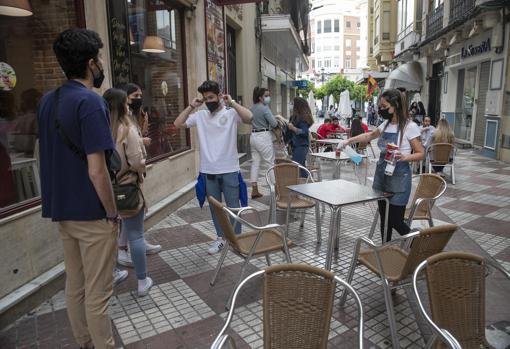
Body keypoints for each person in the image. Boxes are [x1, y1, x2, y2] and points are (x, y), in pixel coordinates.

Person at [37, 28, 118, 349]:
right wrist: (112, 213)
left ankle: (84, 342)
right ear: (90, 63)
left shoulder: (47, 101)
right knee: (99, 292)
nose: (101, 64)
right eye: (98, 58)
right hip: (91, 211)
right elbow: (98, 171)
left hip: (61, 209)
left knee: (75, 284)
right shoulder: (90, 102)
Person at [174, 80, 252, 254]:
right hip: (208, 171)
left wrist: (231, 102)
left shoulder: (231, 113)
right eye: (205, 98)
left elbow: (249, 118)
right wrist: (190, 106)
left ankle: (236, 239)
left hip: (230, 169)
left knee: (233, 207)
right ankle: (220, 238)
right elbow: (178, 124)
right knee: (216, 208)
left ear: (219, 95)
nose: (208, 101)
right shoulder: (200, 116)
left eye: (211, 97)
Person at [339, 89, 424, 242]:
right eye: (380, 106)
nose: (381, 110)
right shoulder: (385, 125)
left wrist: (405, 157)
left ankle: (418, 245)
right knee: (384, 219)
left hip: (399, 178)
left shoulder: (409, 127)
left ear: (396, 105)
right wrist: (348, 141)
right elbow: (369, 135)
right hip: (382, 176)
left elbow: (420, 153)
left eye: (384, 106)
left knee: (395, 220)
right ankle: (386, 248)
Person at [103, 88, 153, 297]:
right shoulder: (127, 129)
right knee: (136, 235)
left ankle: (111, 273)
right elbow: (135, 161)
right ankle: (142, 281)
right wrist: (143, 165)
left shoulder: (101, 129)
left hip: (106, 188)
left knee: (108, 235)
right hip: (127, 188)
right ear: (122, 105)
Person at [117, 83, 161, 267]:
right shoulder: (121, 120)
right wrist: (141, 142)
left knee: (135, 210)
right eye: (135, 95)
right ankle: (121, 249)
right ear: (125, 98)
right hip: (127, 173)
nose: (139, 99)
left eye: (140, 95)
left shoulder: (137, 115)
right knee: (129, 210)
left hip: (135, 173)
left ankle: (137, 241)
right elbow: (129, 143)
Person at [249, 87, 277, 199]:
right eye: (266, 96)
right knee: (270, 162)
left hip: (253, 136)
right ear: (260, 98)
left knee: (255, 163)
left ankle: (254, 190)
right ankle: (276, 190)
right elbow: (274, 123)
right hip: (263, 136)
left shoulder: (251, 108)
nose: (268, 98)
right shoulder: (265, 108)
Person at [287, 97, 314, 176]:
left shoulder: (302, 118)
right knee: (301, 168)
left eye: (292, 103)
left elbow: (304, 132)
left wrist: (293, 128)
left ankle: (304, 184)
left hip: (302, 146)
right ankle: (306, 183)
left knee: (296, 167)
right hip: (295, 146)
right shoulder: (293, 117)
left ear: (297, 106)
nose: (290, 105)